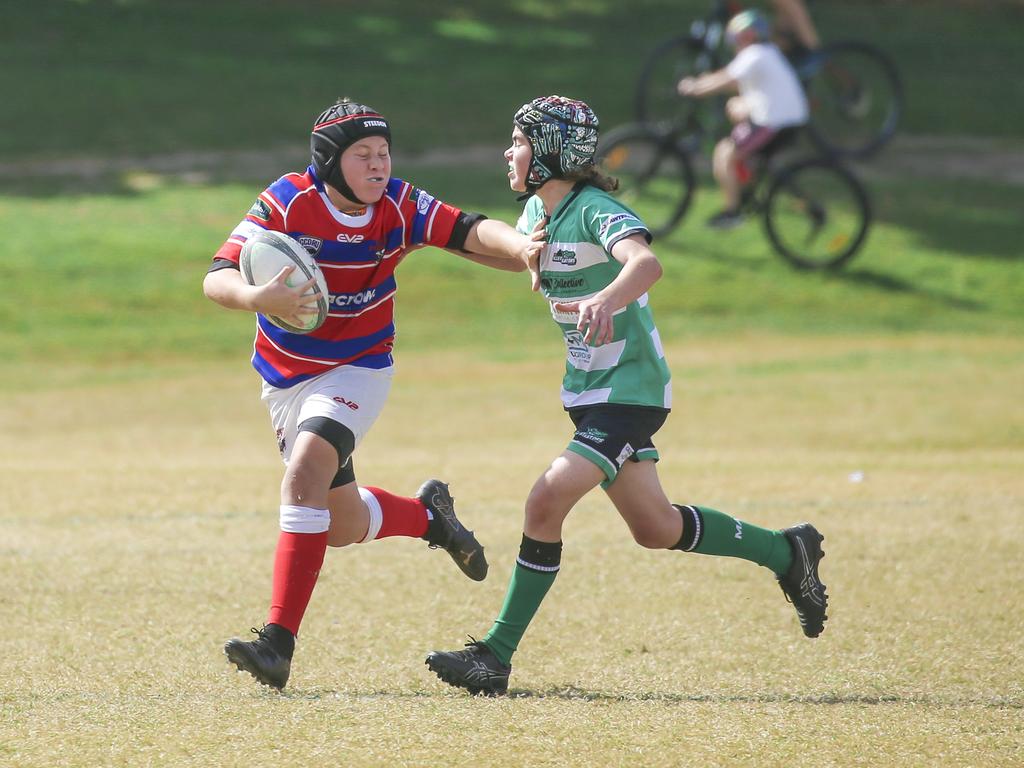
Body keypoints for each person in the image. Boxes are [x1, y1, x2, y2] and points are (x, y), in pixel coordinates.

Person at [423, 95, 829, 696]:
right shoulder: (539, 208)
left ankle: (495, 656)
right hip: (591, 392)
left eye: (518, 141)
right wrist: (423, 239)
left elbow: (646, 263)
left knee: (545, 501)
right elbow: (517, 257)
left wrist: (605, 298)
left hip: (631, 391)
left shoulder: (595, 209)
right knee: (656, 527)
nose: (508, 152)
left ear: (551, 152)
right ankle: (787, 552)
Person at [204, 98, 541, 691]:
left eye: (384, 153)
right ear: (329, 163)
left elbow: (466, 227)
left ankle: (276, 645)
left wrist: (520, 248)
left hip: (359, 368)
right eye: (363, 155)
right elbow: (217, 275)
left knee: (304, 474)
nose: (378, 164)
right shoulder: (288, 199)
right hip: (286, 378)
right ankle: (432, 520)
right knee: (338, 522)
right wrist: (258, 299)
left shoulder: (399, 205)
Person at [678, 9, 809, 229]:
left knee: (726, 153)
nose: (734, 44)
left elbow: (726, 78)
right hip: (784, 121)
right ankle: (745, 192)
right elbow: (732, 82)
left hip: (775, 123)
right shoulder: (767, 53)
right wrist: (707, 84)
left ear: (747, 35)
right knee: (730, 148)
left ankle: (732, 212)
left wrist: (694, 87)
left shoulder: (755, 54)